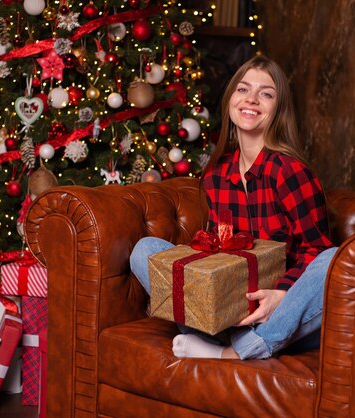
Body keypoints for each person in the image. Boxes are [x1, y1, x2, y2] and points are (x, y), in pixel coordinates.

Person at [130, 55, 336, 360]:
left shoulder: (290, 171)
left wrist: (279, 296)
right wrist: (203, 276)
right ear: (230, 100)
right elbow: (221, 252)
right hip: (231, 312)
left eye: (266, 93)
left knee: (333, 260)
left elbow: (316, 250)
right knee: (144, 249)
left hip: (283, 317)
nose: (251, 99)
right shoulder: (216, 174)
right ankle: (216, 335)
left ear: (278, 109)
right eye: (243, 89)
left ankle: (232, 353)